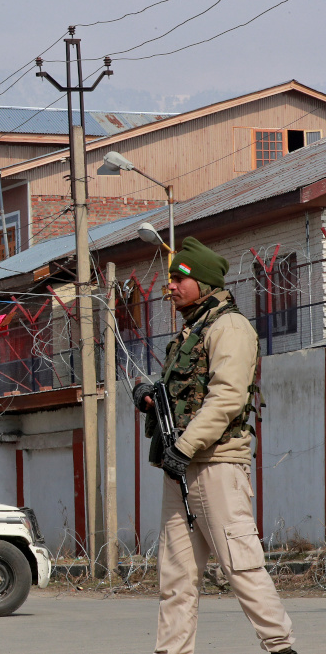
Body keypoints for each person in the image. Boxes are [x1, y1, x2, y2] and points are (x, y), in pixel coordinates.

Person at [133, 237, 296, 654]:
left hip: (217, 465)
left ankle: (281, 647)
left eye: (178, 279)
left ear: (203, 282)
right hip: (182, 466)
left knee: (241, 566)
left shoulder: (229, 327)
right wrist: (150, 395)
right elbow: (185, 390)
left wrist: (184, 447)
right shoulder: (194, 328)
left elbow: (227, 397)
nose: (170, 286)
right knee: (176, 577)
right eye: (169, 278)